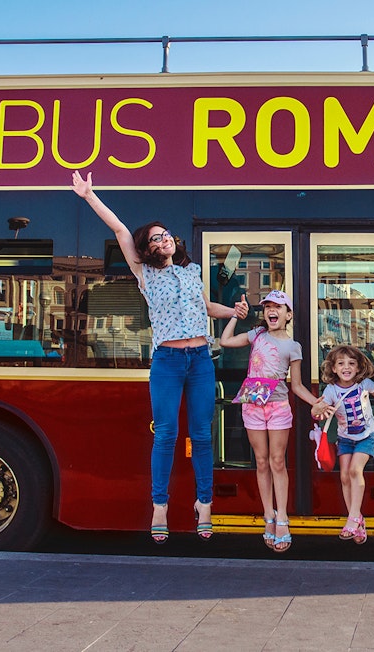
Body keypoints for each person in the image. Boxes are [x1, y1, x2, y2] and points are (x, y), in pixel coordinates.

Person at [71, 171, 249, 544]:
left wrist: (233, 312)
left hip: (201, 359)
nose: (164, 238)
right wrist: (89, 196)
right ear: (147, 249)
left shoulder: (192, 271)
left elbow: (205, 308)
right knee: (166, 435)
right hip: (167, 362)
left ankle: (204, 504)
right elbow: (120, 230)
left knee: (202, 436)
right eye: (156, 237)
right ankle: (160, 507)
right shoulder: (145, 274)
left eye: (166, 234)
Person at [219, 289, 318, 552]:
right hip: (252, 405)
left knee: (277, 461)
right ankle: (268, 516)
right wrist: (234, 315)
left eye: (277, 307)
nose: (271, 311)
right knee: (261, 462)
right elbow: (225, 341)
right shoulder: (256, 335)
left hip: (277, 407)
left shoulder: (293, 346)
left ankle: (283, 516)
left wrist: (316, 402)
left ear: (288, 315)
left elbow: (296, 386)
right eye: (267, 307)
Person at [311, 345, 374, 544]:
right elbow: (317, 412)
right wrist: (317, 408)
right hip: (345, 438)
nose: (346, 367)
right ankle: (357, 518)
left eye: (351, 364)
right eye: (341, 364)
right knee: (345, 476)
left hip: (367, 435)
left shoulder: (363, 384)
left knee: (355, 471)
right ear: (334, 368)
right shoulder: (331, 390)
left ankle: (352, 519)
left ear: (358, 368)